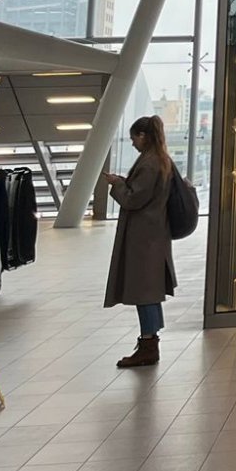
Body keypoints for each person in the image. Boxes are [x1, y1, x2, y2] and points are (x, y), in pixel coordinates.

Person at [105, 115, 178, 368]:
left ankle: (148, 344)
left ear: (143, 136)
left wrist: (117, 184)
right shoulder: (161, 160)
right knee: (150, 291)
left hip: (144, 238)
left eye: (134, 137)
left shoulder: (149, 164)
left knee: (144, 291)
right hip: (153, 234)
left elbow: (134, 199)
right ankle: (150, 340)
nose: (133, 142)